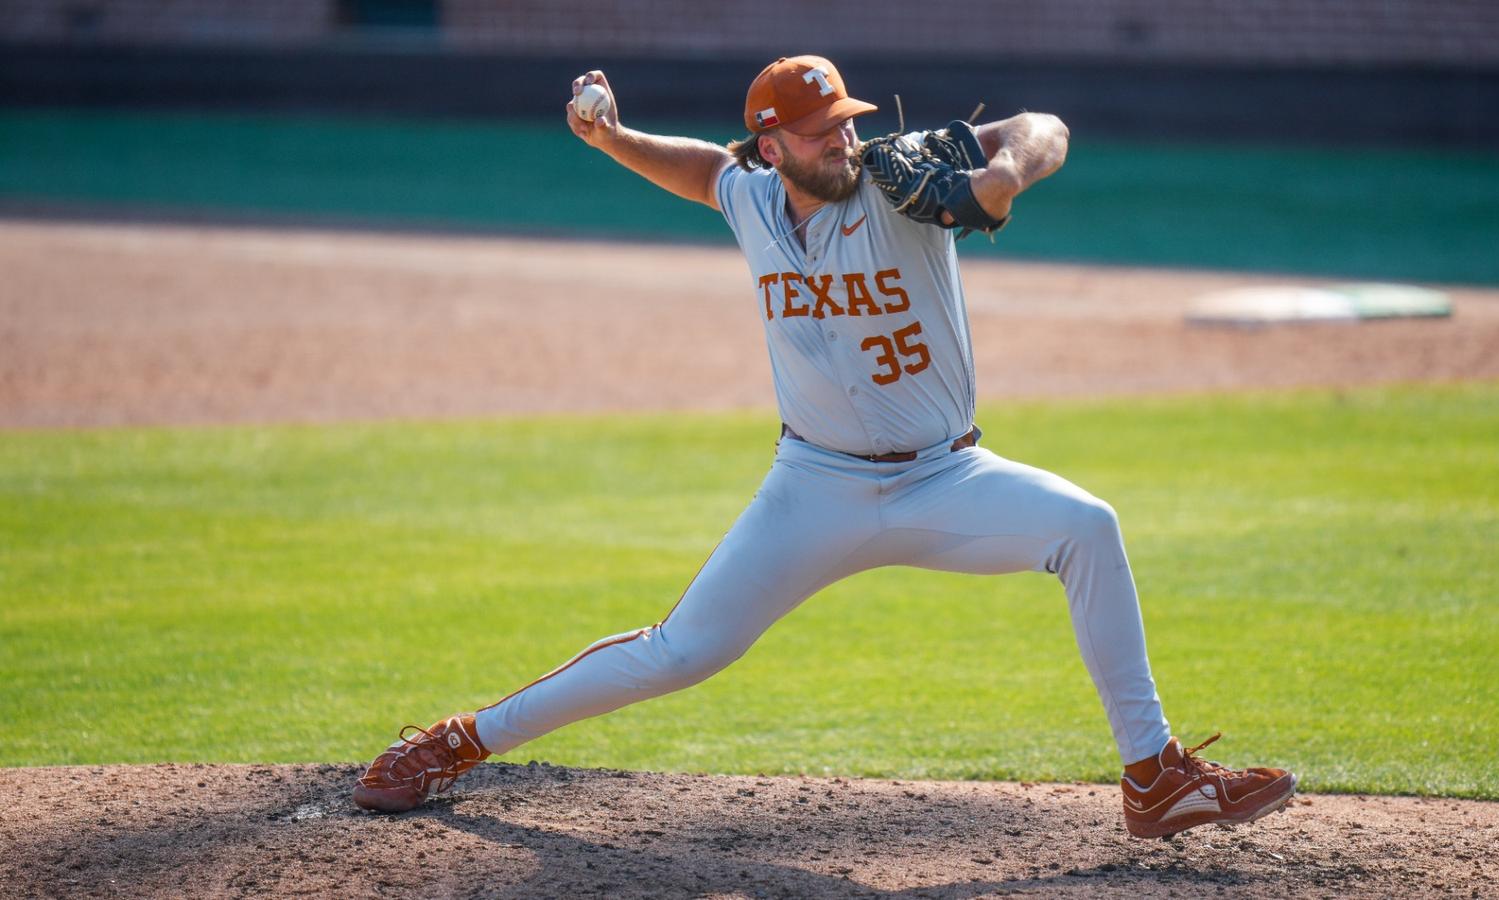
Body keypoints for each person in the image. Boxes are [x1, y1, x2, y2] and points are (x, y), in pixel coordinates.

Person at [352, 55, 1298, 839]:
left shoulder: (899, 180)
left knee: (1086, 527)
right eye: (819, 131)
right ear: (772, 148)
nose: (843, 139)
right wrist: (611, 137)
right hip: (812, 488)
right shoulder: (755, 200)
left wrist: (1005, 174)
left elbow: (1041, 122)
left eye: (846, 121)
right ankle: (458, 741)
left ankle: (1154, 777)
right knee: (680, 652)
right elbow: (701, 172)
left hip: (947, 477)